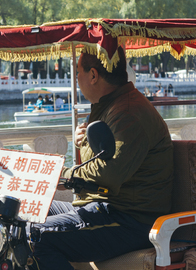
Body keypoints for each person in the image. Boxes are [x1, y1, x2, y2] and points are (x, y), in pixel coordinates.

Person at [29, 47, 174, 270]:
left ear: (93, 75)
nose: (76, 79)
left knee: (37, 236)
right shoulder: (108, 106)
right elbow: (102, 155)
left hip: (131, 219)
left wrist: (64, 174)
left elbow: (109, 172)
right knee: (25, 211)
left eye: (78, 73)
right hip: (101, 207)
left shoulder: (127, 112)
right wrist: (83, 142)